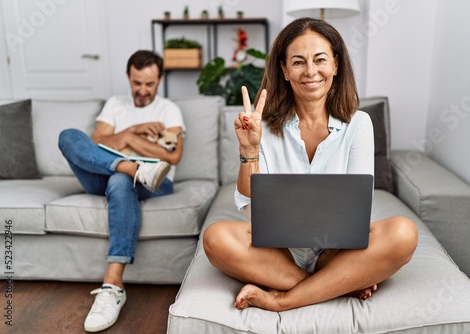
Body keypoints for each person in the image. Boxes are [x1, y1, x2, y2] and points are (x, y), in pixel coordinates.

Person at [203, 17, 418, 312]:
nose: (311, 71)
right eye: (298, 62)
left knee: (404, 233)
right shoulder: (262, 125)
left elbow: (357, 206)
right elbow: (251, 204)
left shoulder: (359, 124)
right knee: (215, 238)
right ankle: (335, 283)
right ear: (285, 69)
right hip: (277, 253)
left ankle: (283, 299)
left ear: (336, 65)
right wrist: (249, 148)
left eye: (320, 60)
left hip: (336, 250)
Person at [58, 50, 185, 332]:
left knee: (119, 180)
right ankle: (131, 168)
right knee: (68, 136)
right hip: (108, 172)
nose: (142, 90)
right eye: (137, 83)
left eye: (149, 84)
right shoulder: (115, 104)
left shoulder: (168, 110)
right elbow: (91, 147)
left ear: (160, 80)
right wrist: (133, 132)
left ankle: (113, 286)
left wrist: (122, 139)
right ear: (128, 76)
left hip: (156, 180)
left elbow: (172, 155)